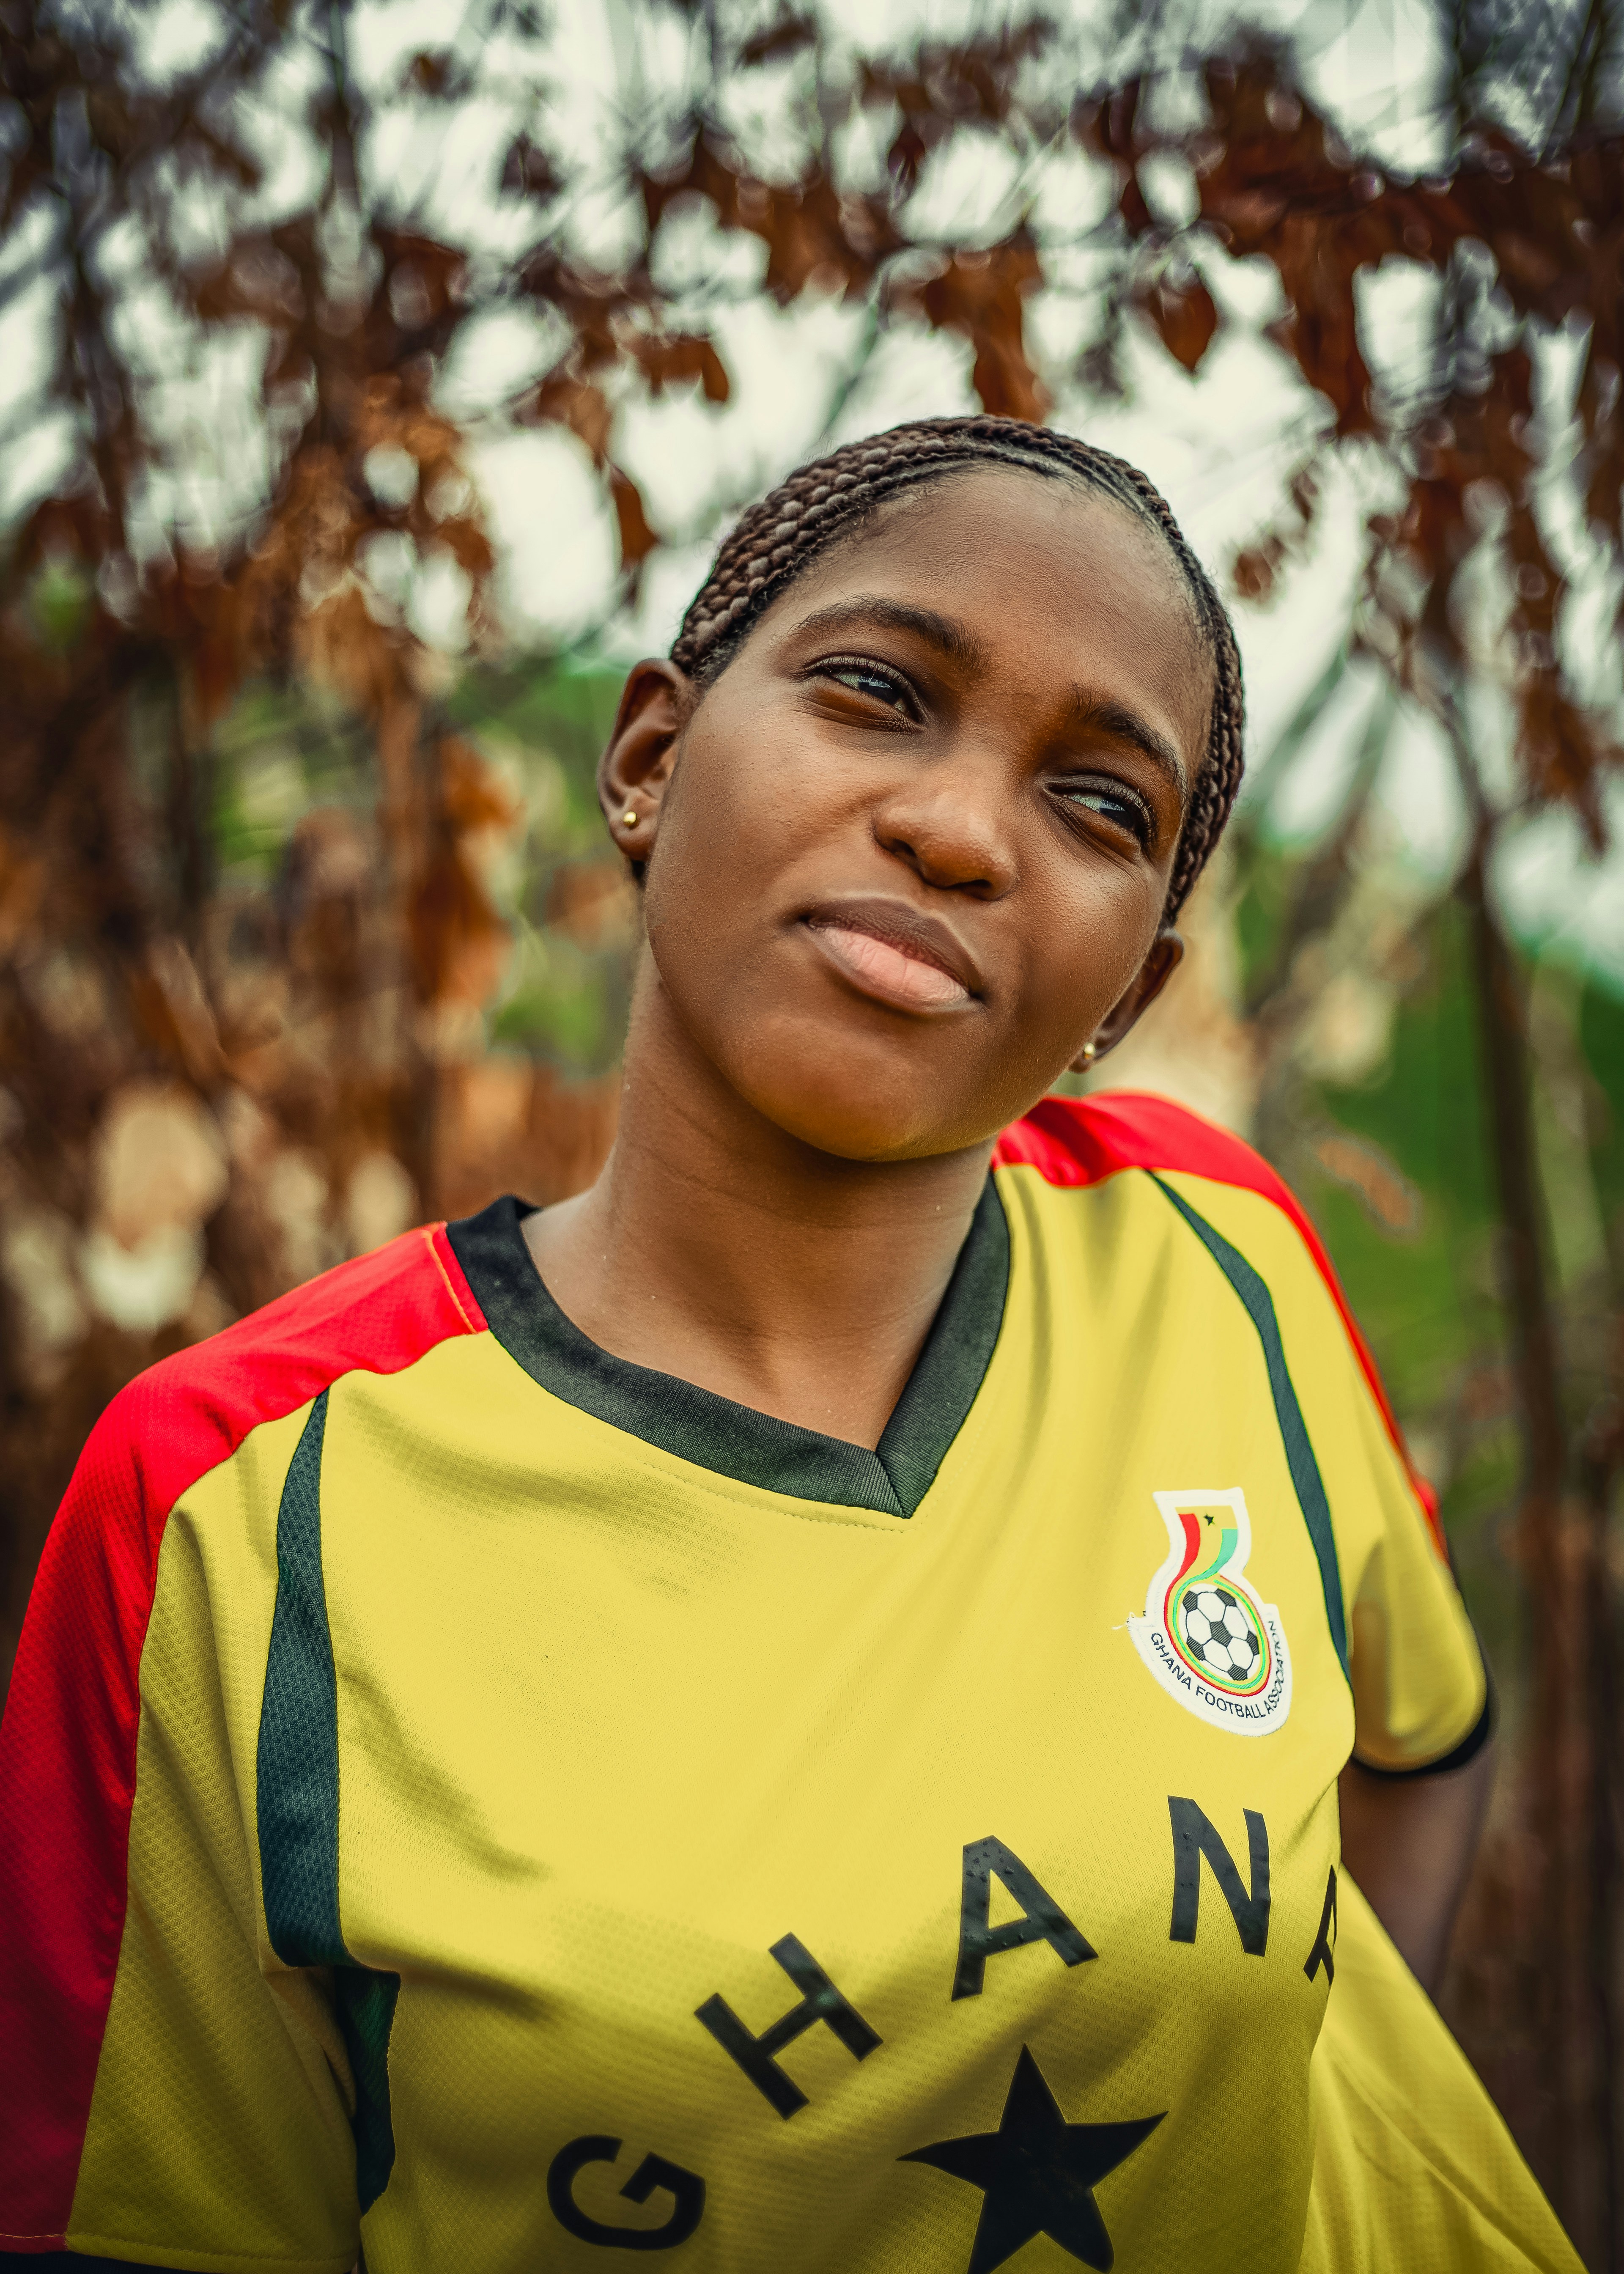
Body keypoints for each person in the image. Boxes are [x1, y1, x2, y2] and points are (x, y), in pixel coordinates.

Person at [0, 416, 1580, 2274]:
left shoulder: (1212, 1253)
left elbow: (1422, 1740)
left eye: (1099, 805)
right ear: (652, 759)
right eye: (877, 691)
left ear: (1133, 985)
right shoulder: (240, 1503)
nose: (961, 827)